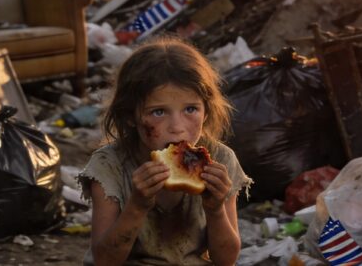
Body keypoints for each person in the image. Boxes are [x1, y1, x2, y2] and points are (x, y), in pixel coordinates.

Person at [78, 37, 252, 266]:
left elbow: (226, 260)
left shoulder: (219, 159)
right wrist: (136, 206)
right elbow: (104, 261)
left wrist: (216, 209)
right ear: (130, 116)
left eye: (190, 109)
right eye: (158, 112)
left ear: (206, 111)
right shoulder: (109, 165)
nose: (177, 127)